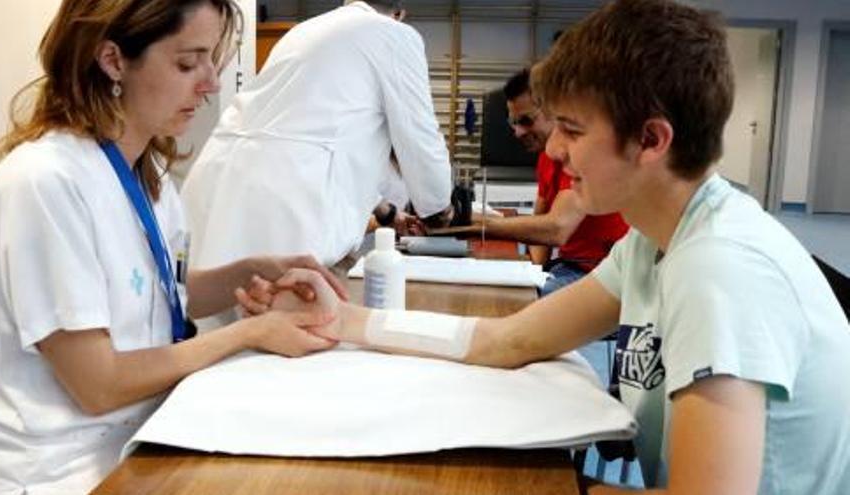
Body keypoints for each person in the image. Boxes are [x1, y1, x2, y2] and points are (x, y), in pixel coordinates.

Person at [242, 1, 850, 493]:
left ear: (651, 140)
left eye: (574, 130)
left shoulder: (723, 271)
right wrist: (344, 318)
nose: (555, 151)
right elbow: (510, 339)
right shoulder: (654, 243)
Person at [0, 1, 346, 492]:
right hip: (66, 475)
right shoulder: (43, 184)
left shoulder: (151, 179)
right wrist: (246, 334)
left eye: (211, 60)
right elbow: (98, 384)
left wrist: (252, 271)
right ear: (113, 60)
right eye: (187, 63)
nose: (210, 83)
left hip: (146, 443)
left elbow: (153, 289)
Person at [179, 0, 453, 302]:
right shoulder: (395, 35)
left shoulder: (305, 31)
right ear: (400, 13)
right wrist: (439, 209)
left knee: (207, 320)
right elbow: (421, 135)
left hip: (217, 182)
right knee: (280, 327)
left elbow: (315, 138)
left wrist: (387, 213)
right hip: (283, 210)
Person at [478, 69, 628, 295]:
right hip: (567, 267)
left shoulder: (582, 155)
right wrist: (531, 275)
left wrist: (476, 223)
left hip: (596, 273)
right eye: (513, 122)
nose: (517, 132)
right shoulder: (546, 157)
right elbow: (540, 230)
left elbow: (557, 228)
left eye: (526, 121)